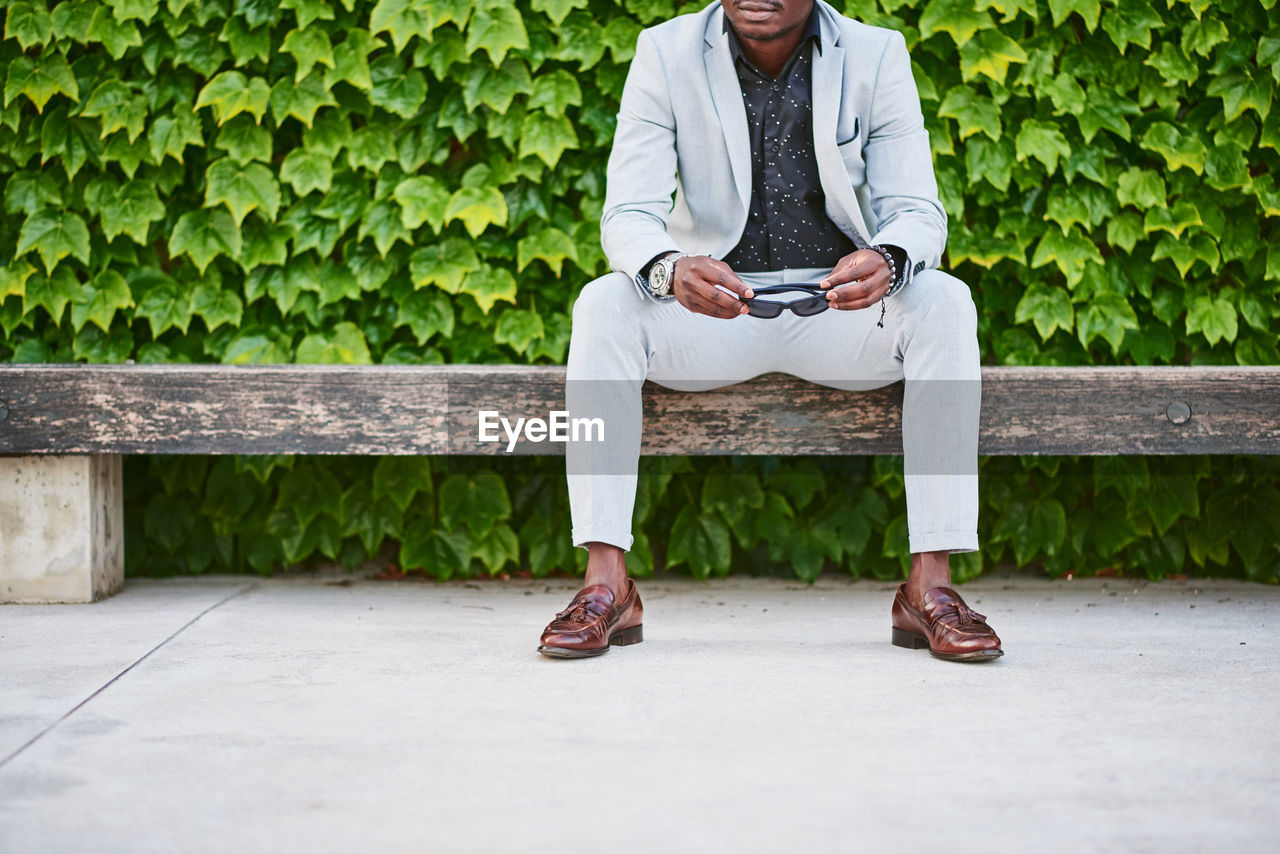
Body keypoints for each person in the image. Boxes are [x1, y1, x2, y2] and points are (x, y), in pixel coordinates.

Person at [537, 0, 1003, 662]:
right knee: (603, 304)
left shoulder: (877, 53)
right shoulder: (664, 52)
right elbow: (628, 213)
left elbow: (917, 209)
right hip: (711, 307)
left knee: (945, 300)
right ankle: (605, 584)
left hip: (840, 307)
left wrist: (890, 259)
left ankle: (930, 588)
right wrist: (670, 272)